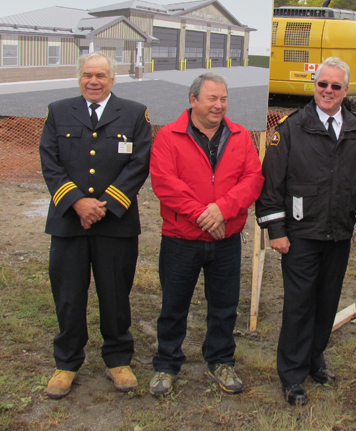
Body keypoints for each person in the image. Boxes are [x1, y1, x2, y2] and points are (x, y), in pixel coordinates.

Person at [256, 57, 356, 406]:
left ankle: (315, 359)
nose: (327, 91)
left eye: (335, 86)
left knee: (326, 304)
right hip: (300, 235)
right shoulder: (291, 128)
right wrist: (276, 231)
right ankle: (293, 376)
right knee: (299, 306)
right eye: (322, 84)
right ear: (314, 86)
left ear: (345, 90)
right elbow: (271, 188)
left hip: (340, 234)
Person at [39, 52, 152, 399]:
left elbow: (140, 162)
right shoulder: (58, 111)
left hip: (114, 223)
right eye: (87, 75)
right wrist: (77, 202)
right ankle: (67, 362)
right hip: (69, 222)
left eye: (101, 75)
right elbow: (49, 159)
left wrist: (104, 206)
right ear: (79, 78)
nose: (93, 81)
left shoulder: (134, 113)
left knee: (115, 295)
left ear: (112, 79)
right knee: (69, 297)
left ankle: (118, 359)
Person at [148, 73, 264, 397]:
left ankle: (221, 361)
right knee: (173, 306)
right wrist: (203, 214)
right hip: (180, 240)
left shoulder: (241, 136)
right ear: (193, 100)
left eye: (223, 98)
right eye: (212, 98)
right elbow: (165, 183)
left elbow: (253, 179)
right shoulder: (169, 137)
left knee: (225, 306)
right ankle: (166, 365)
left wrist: (222, 210)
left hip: (225, 240)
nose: (219, 105)